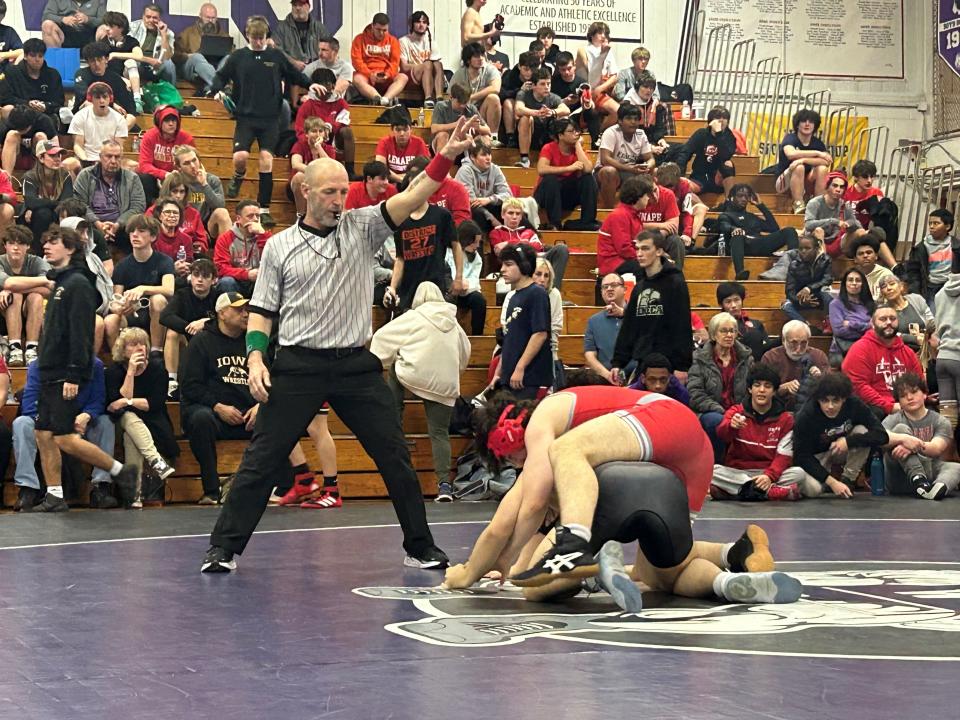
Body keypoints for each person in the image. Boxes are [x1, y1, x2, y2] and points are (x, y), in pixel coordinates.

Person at [200, 116, 485, 574]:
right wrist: (255, 356)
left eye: (341, 190)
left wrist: (446, 156)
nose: (338, 199)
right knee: (261, 459)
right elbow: (263, 311)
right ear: (307, 193)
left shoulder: (365, 226)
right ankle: (223, 549)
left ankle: (419, 545)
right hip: (298, 364)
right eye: (328, 192)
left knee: (394, 455)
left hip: (355, 364)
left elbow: (414, 195)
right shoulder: (280, 247)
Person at [31, 226, 139, 513]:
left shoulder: (78, 284)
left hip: (65, 372)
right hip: (50, 370)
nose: (46, 246)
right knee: (42, 433)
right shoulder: (63, 283)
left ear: (70, 248)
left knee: (65, 437)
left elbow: (82, 333)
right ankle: (54, 494)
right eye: (45, 241)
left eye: (53, 241)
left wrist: (74, 375)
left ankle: (120, 470)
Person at [179, 292, 317, 505]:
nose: (245, 314)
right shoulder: (201, 342)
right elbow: (189, 385)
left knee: (277, 415)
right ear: (221, 313)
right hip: (214, 413)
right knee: (200, 418)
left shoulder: (252, 343)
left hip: (247, 414)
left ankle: (289, 483)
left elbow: (270, 380)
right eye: (239, 310)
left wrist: (259, 406)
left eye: (247, 310)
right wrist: (217, 406)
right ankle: (211, 490)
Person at [213, 17, 324, 228]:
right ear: (248, 36)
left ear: (267, 37)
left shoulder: (275, 56)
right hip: (245, 117)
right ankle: (238, 175)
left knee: (266, 160)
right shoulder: (238, 57)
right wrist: (214, 89)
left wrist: (312, 85)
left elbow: (294, 74)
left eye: (261, 38)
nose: (257, 42)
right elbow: (221, 76)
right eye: (254, 38)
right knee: (240, 157)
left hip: (270, 118)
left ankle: (264, 209)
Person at [373, 281, 470, 502]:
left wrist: (379, 361)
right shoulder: (454, 322)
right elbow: (466, 352)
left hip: (414, 377)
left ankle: (394, 418)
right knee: (439, 433)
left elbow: (380, 338)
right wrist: (454, 373)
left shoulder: (414, 317)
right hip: (445, 384)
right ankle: (444, 485)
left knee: (396, 368)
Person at [13, 356, 114, 510]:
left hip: (81, 423)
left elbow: (98, 400)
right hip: (49, 421)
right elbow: (29, 405)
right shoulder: (39, 365)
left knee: (105, 423)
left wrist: (87, 415)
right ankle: (27, 489)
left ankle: (101, 487)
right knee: (21, 423)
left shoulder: (95, 365)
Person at [105, 327, 178, 506]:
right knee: (128, 417)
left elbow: (154, 403)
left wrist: (127, 402)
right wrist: (130, 371)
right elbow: (113, 404)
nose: (140, 348)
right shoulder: (114, 371)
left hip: (152, 421)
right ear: (123, 351)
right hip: (118, 423)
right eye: (133, 344)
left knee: (132, 434)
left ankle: (133, 495)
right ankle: (156, 460)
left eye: (142, 344)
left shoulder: (158, 369)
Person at [711, 364, 806, 501]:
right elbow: (722, 434)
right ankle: (769, 492)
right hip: (738, 472)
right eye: (757, 385)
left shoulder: (786, 420)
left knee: (799, 474)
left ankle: (737, 491)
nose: (761, 390)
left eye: (767, 386)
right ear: (750, 389)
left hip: (768, 472)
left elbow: (784, 456)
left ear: (774, 391)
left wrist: (769, 476)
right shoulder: (736, 411)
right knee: (713, 471)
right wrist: (731, 426)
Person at [610, 231, 692, 385]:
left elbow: (682, 325)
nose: (639, 254)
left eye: (646, 248)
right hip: (644, 362)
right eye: (638, 248)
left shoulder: (675, 282)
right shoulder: (639, 287)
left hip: (670, 365)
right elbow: (629, 327)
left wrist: (682, 366)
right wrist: (618, 362)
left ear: (659, 251)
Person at [792, 372, 890, 499]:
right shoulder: (807, 415)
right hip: (816, 456)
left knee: (862, 430)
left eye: (835, 400)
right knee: (814, 490)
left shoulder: (854, 404)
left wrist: (848, 441)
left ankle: (848, 480)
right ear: (818, 399)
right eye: (825, 401)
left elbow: (882, 435)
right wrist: (831, 482)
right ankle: (827, 482)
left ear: (844, 398)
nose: (830, 406)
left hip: (841, 450)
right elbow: (801, 456)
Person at [384, 169, 460, 311]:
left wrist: (459, 278)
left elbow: (456, 245)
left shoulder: (441, 215)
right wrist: (393, 288)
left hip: (435, 285)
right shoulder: (401, 220)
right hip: (409, 288)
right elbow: (401, 258)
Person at [688, 311, 754, 461]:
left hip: (740, 409)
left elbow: (752, 389)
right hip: (711, 411)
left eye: (732, 331)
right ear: (713, 334)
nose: (729, 335)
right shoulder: (699, 358)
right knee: (717, 421)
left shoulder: (746, 358)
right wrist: (724, 412)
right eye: (724, 331)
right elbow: (695, 394)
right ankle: (718, 464)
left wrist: (738, 410)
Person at [883, 373, 960, 500]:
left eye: (913, 392)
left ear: (925, 394)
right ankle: (918, 478)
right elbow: (880, 438)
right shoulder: (892, 419)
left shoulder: (940, 421)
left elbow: (936, 448)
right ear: (899, 403)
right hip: (900, 477)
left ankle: (937, 488)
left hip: (928, 471)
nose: (909, 397)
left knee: (956, 467)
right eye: (903, 396)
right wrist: (904, 439)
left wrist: (913, 445)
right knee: (900, 429)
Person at [490, 243, 552, 399]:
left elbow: (540, 334)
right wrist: (499, 372)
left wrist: (520, 367)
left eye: (508, 264)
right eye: (502, 264)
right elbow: (509, 339)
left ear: (524, 266)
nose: (502, 269)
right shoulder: (513, 297)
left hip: (529, 378)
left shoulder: (537, 293)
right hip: (511, 377)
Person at [104, 213, 174, 352]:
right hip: (132, 314)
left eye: (141, 231)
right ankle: (118, 360)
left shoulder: (164, 261)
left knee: (158, 299)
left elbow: (169, 289)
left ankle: (156, 351)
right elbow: (115, 298)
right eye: (132, 231)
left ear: (152, 237)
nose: (135, 235)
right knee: (110, 320)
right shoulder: (122, 266)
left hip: (156, 314)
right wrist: (121, 307)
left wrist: (142, 289)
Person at [842, 305, 924, 418]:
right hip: (875, 407)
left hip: (905, 403)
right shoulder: (859, 349)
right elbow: (858, 385)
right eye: (883, 319)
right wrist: (889, 406)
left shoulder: (908, 352)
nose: (889, 322)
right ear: (872, 323)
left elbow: (919, 382)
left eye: (893, 318)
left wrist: (923, 397)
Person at [72, 138, 146, 252]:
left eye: (117, 157)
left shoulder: (132, 178)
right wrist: (97, 223)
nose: (113, 160)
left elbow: (138, 206)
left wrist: (118, 224)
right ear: (100, 157)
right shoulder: (85, 175)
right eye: (109, 156)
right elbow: (79, 204)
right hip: (91, 225)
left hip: (122, 226)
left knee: (137, 230)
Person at [160, 257, 219, 399]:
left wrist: (205, 323)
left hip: (210, 342)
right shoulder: (182, 294)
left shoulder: (218, 297)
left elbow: (228, 321)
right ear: (190, 277)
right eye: (196, 275)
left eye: (205, 276)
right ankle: (171, 381)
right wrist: (189, 327)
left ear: (214, 280)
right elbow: (165, 317)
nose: (200, 280)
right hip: (186, 340)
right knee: (172, 333)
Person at [716, 183, 799, 281]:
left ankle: (795, 266)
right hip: (743, 246)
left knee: (790, 231)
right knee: (738, 236)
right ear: (732, 197)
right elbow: (723, 226)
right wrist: (734, 229)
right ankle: (740, 273)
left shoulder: (752, 217)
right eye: (740, 196)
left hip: (760, 244)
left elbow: (774, 228)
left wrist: (761, 206)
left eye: (746, 196)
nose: (743, 199)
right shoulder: (726, 215)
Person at [532, 118, 598, 230]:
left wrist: (577, 145)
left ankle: (587, 222)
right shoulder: (549, 148)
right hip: (547, 195)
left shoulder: (577, 149)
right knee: (550, 179)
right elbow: (541, 169)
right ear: (560, 135)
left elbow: (587, 169)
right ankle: (554, 223)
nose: (576, 134)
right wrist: (569, 168)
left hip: (567, 196)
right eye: (571, 131)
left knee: (588, 179)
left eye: (577, 131)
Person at [489, 197, 569, 288]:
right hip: (517, 266)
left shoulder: (529, 232)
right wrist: (526, 243)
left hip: (537, 260)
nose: (514, 217)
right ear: (502, 215)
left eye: (518, 214)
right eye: (510, 213)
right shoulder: (496, 233)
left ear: (521, 217)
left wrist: (508, 243)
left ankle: (553, 289)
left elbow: (538, 247)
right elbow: (501, 253)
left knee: (561, 249)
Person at [0, 225, 50, 365]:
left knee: (36, 296)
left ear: (28, 246)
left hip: (31, 311)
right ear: (5, 246)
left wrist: (13, 288)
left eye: (21, 243)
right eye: (11, 243)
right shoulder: (0, 262)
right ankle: (15, 348)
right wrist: (41, 281)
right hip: (3, 312)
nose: (16, 248)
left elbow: (50, 288)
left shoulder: (36, 261)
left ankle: (31, 349)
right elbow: (9, 282)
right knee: (15, 297)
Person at [294, 68, 356, 178]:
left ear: (333, 86)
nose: (326, 91)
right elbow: (300, 130)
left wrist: (329, 127)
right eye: (322, 86)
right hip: (313, 142)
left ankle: (350, 171)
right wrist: (313, 139)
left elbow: (344, 121)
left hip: (334, 140)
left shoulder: (341, 103)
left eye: (330, 85)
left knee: (347, 131)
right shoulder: (307, 105)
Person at [805, 171, 874, 263]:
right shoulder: (815, 203)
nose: (838, 189)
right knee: (819, 230)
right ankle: (823, 264)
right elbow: (808, 225)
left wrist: (849, 224)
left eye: (841, 187)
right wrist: (834, 221)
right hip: (815, 243)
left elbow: (854, 221)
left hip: (836, 242)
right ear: (827, 186)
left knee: (861, 232)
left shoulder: (843, 204)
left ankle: (867, 267)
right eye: (835, 185)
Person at [595, 102, 654, 209]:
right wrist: (629, 168)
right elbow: (605, 159)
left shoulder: (640, 134)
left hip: (630, 171)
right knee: (609, 171)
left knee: (655, 171)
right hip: (606, 172)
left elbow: (650, 158)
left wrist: (647, 166)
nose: (633, 122)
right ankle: (609, 212)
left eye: (636, 119)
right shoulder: (611, 132)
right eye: (629, 118)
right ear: (620, 121)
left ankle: (649, 212)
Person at [760, 320, 829, 412]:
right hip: (777, 411)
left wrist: (820, 379)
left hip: (811, 411)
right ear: (784, 341)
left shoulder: (819, 356)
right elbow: (761, 392)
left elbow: (830, 391)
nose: (798, 349)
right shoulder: (770, 357)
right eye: (793, 343)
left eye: (804, 343)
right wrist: (782, 388)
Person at [595, 175, 654, 280]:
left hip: (624, 260)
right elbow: (624, 249)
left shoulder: (633, 215)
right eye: (646, 195)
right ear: (638, 196)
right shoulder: (620, 215)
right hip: (613, 263)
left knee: (664, 266)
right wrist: (645, 258)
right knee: (648, 268)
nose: (648, 198)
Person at [775, 108, 832, 215]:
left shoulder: (817, 142)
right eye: (803, 121)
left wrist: (803, 159)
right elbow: (791, 154)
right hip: (784, 182)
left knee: (822, 168)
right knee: (799, 167)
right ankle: (798, 203)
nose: (807, 124)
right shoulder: (790, 138)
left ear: (815, 126)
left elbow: (826, 161)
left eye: (811, 122)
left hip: (806, 182)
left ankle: (818, 203)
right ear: (797, 125)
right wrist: (818, 153)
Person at [172, 3, 237, 97]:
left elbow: (233, 55)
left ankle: (210, 89)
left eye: (213, 18)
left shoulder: (223, 35)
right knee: (197, 57)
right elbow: (174, 54)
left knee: (228, 57)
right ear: (200, 16)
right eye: (207, 17)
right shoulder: (188, 33)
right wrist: (187, 56)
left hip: (215, 67)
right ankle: (221, 86)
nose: (210, 21)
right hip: (192, 70)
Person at [137, 105, 195, 206]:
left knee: (200, 191)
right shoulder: (149, 136)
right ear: (159, 122)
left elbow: (192, 163)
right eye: (167, 121)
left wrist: (176, 175)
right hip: (156, 180)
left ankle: (191, 213)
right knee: (143, 178)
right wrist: (164, 174)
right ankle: (151, 210)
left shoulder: (187, 139)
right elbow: (144, 165)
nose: (171, 124)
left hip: (180, 179)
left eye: (174, 120)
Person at [173, 145, 232, 240]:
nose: (192, 166)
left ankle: (224, 253)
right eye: (186, 163)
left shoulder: (212, 180)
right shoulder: (176, 182)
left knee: (222, 212)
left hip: (207, 224)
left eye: (194, 160)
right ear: (179, 167)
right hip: (184, 224)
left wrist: (204, 185)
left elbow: (220, 205)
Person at [674, 106, 737, 195]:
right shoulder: (701, 134)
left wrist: (719, 134)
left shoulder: (729, 137)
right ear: (711, 121)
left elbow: (726, 155)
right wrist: (679, 175)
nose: (721, 120)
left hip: (717, 178)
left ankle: (730, 202)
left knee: (728, 164)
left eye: (725, 118)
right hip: (700, 176)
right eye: (718, 117)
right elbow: (685, 152)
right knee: (684, 186)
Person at [213, 201, 270, 298]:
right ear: (239, 219)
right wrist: (247, 274)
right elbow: (221, 268)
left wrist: (262, 234)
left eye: (257, 216)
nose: (255, 219)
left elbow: (273, 259)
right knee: (226, 282)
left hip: (257, 281)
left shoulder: (264, 236)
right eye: (250, 216)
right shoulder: (225, 238)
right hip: (236, 281)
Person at [515, 67, 570, 168]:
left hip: (547, 134)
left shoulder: (553, 97)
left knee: (564, 118)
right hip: (529, 133)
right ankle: (524, 159)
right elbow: (518, 109)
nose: (547, 87)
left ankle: (562, 156)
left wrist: (552, 112)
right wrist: (536, 113)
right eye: (542, 84)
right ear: (534, 86)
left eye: (548, 84)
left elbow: (566, 110)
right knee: (525, 118)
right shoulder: (523, 94)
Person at [21, 139, 73, 245]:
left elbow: (67, 202)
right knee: (43, 213)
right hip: (33, 221)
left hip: (57, 215)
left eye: (59, 155)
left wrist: (36, 205)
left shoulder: (65, 175)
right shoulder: (29, 177)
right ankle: (39, 251)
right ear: (41, 158)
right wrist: (32, 206)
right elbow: (31, 202)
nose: (57, 159)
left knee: (53, 212)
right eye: (52, 156)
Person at [0, 39, 65, 123]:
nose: (37, 59)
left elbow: (59, 101)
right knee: (7, 109)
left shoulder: (53, 74)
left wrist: (46, 106)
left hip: (45, 114)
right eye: (33, 55)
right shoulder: (11, 72)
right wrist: (27, 103)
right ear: (25, 56)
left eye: (40, 56)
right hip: (20, 112)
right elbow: (6, 99)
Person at [350, 12, 407, 107]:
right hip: (367, 76)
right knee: (356, 78)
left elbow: (395, 63)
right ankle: (377, 98)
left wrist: (388, 74)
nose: (381, 33)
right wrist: (370, 74)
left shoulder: (393, 41)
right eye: (378, 30)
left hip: (386, 76)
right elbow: (356, 61)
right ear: (372, 26)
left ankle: (385, 99)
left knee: (403, 77)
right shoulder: (359, 39)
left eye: (384, 30)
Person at [906, 208, 959, 309]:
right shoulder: (920, 248)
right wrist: (916, 293)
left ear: (947, 226)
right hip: (930, 289)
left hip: (951, 288)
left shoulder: (956, 246)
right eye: (930, 223)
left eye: (936, 223)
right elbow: (913, 272)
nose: (931, 226)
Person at [454, 139, 512, 232]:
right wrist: (492, 218)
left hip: (488, 205)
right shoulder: (465, 171)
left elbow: (508, 195)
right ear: (473, 157)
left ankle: (531, 241)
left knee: (513, 211)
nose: (488, 158)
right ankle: (478, 245)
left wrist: (489, 199)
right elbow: (471, 202)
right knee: (479, 213)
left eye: (489, 154)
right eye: (483, 155)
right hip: (469, 211)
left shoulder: (495, 169)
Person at [71, 41, 137, 122]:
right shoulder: (81, 74)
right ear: (88, 62)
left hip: (110, 116)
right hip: (84, 115)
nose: (97, 64)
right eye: (92, 61)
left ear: (106, 59)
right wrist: (112, 105)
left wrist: (130, 114)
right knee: (89, 105)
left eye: (99, 59)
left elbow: (128, 102)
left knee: (131, 118)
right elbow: (86, 96)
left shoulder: (115, 78)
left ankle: (116, 133)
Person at [451, 42, 502, 146]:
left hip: (482, 111)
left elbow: (496, 88)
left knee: (494, 98)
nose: (481, 58)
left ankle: (493, 137)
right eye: (476, 56)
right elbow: (450, 97)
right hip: (465, 112)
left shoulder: (490, 70)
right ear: (468, 60)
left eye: (482, 55)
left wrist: (471, 97)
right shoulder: (460, 74)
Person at [147, 170, 210, 254]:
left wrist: (198, 247)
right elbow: (146, 237)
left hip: (188, 254)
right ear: (167, 191)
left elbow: (201, 239)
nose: (178, 196)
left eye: (182, 191)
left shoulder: (193, 213)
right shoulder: (153, 211)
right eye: (174, 191)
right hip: (159, 255)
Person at [551, 50, 602, 150]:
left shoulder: (582, 82)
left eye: (569, 68)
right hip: (560, 116)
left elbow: (590, 104)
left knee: (593, 113)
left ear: (574, 65)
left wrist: (587, 103)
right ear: (558, 69)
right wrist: (565, 101)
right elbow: (550, 104)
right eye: (563, 70)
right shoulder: (554, 83)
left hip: (577, 115)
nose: (566, 72)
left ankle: (595, 143)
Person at [67, 82, 128, 163]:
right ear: (90, 99)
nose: (102, 101)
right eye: (98, 98)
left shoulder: (119, 119)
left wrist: (106, 162)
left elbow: (118, 148)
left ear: (110, 99)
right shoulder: (80, 116)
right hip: (86, 159)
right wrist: (86, 160)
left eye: (105, 97)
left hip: (109, 160)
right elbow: (78, 145)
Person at [781, 233, 833, 325]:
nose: (803, 251)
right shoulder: (794, 265)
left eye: (807, 248)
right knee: (785, 305)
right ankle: (805, 325)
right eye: (800, 249)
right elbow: (789, 291)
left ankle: (829, 322)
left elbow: (828, 279)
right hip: (801, 299)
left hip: (819, 297)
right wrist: (801, 301)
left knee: (828, 296)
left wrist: (808, 288)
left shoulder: (825, 260)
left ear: (816, 249)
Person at [583, 273, 627, 382]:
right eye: (605, 287)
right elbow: (590, 354)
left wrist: (625, 313)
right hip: (605, 379)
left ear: (624, 289)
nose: (609, 289)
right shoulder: (593, 321)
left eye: (614, 285)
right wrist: (607, 375)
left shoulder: (637, 315)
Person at [574, 22, 619, 125]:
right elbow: (590, 71)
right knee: (590, 113)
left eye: (605, 34)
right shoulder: (583, 50)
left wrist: (601, 88)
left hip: (601, 91)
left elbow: (615, 76)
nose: (603, 36)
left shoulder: (608, 52)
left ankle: (600, 133)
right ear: (591, 35)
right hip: (585, 91)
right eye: (599, 33)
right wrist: (602, 55)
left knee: (618, 111)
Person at [876, 275, 935, 354]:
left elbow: (931, 322)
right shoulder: (883, 311)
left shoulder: (916, 299)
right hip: (900, 353)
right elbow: (888, 334)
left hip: (926, 350)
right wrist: (914, 339)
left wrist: (926, 335)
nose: (888, 288)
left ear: (901, 286)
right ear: (882, 293)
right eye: (884, 286)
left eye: (892, 284)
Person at [829, 267, 875, 367]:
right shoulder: (836, 304)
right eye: (850, 280)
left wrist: (851, 324)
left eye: (858, 280)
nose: (854, 283)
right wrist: (867, 326)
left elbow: (875, 330)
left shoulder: (870, 305)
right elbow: (839, 331)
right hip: (842, 351)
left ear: (863, 284)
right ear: (845, 284)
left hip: (867, 349)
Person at [715, 281, 771, 361]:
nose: (733, 305)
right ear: (721, 304)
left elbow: (766, 347)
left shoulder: (756, 324)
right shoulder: (717, 325)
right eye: (728, 302)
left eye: (736, 300)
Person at [289, 116, 334, 215]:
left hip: (321, 185)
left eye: (321, 131)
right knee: (299, 176)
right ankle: (301, 215)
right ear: (306, 134)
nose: (318, 134)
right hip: (300, 186)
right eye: (314, 131)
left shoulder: (329, 148)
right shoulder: (300, 145)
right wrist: (315, 172)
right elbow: (295, 164)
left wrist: (318, 147)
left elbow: (331, 166)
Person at [399, 11, 443, 107]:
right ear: (412, 24)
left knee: (438, 64)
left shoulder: (431, 42)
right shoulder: (404, 41)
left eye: (424, 22)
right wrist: (422, 66)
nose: (421, 25)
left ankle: (439, 98)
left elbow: (436, 67)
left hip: (428, 76)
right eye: (418, 22)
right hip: (412, 75)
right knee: (427, 64)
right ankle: (428, 97)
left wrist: (426, 67)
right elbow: (404, 67)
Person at [432, 84, 491, 155]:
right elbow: (434, 128)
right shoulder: (441, 106)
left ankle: (480, 164)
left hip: (464, 144)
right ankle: (441, 164)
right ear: (451, 97)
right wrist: (457, 124)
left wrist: (478, 127)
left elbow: (488, 131)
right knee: (442, 135)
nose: (463, 105)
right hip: (446, 144)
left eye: (465, 102)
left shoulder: (471, 109)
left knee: (485, 138)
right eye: (459, 102)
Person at [449, 221, 486, 336]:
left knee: (479, 300)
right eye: (474, 242)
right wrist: (458, 282)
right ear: (465, 240)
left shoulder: (477, 258)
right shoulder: (448, 252)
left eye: (478, 242)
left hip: (467, 292)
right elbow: (448, 273)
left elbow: (475, 281)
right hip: (450, 291)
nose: (477, 246)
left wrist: (466, 284)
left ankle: (477, 336)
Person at [127, 4, 176, 86]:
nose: (151, 20)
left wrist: (164, 35)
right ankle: (133, 94)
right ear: (143, 17)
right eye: (148, 17)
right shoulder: (132, 27)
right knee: (132, 62)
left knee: (169, 64)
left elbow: (167, 57)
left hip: (156, 66)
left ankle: (171, 94)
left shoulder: (168, 33)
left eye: (155, 18)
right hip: (139, 62)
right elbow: (127, 51)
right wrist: (147, 60)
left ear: (160, 19)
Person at [273, 0, 328, 71]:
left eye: (301, 5)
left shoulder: (319, 28)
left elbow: (328, 48)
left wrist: (316, 65)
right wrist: (293, 62)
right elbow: (276, 50)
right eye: (295, 5)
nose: (297, 8)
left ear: (308, 7)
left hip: (316, 73)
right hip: (291, 73)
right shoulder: (281, 28)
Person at [0, 104, 55, 175]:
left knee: (41, 136)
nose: (20, 131)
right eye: (18, 129)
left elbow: (54, 146)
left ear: (31, 125)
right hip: (16, 154)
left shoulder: (44, 121)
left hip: (36, 156)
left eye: (23, 129)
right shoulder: (10, 122)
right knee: (11, 134)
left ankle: (46, 176)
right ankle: (7, 179)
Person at [500, 52, 540, 149]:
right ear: (519, 66)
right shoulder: (510, 75)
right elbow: (502, 94)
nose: (529, 73)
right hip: (513, 108)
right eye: (526, 69)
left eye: (532, 70)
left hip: (532, 107)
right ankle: (510, 137)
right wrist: (520, 90)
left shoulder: (539, 76)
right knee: (508, 102)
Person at [375, 117, 430, 184]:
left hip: (412, 182)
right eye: (398, 130)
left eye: (405, 129)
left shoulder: (419, 142)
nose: (402, 133)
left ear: (411, 130)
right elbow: (380, 167)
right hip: (389, 183)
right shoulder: (384, 142)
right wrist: (402, 180)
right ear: (392, 130)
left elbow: (424, 169)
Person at [151, 198, 194, 274]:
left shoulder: (186, 239)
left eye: (175, 213)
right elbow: (151, 267)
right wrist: (171, 269)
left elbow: (188, 262)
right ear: (160, 216)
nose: (172, 215)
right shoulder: (152, 238)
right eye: (167, 212)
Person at [852, 232, 896, 302]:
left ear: (876, 256)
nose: (865, 256)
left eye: (869, 252)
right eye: (861, 253)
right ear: (855, 259)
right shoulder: (852, 276)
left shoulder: (885, 275)